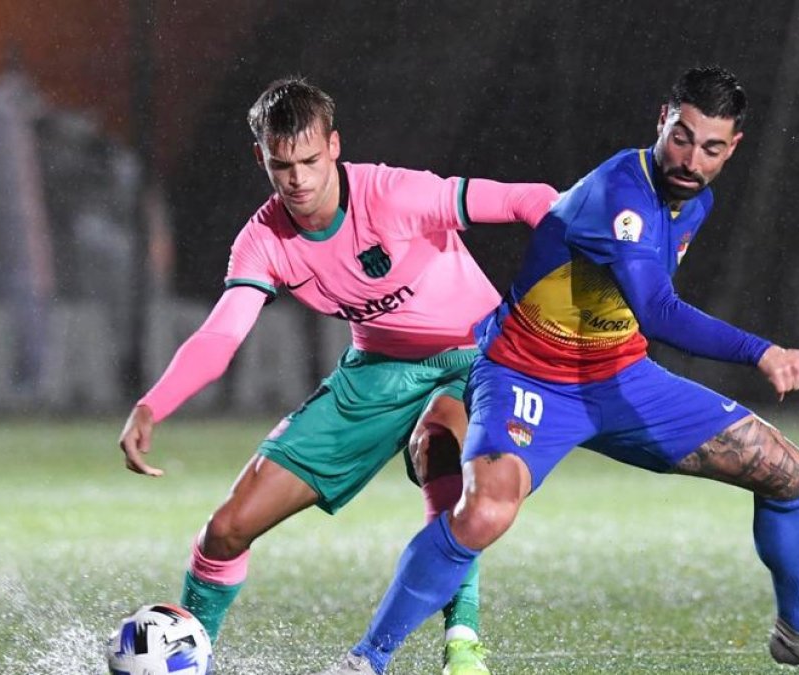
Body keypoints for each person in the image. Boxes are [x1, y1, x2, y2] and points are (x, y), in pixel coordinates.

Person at [313, 66, 799, 675]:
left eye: (712, 147)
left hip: (621, 380)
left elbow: (629, 316)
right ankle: (364, 662)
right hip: (525, 376)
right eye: (682, 137)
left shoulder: (694, 201)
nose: (692, 159)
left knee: (789, 473)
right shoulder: (622, 191)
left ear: (733, 147)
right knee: (483, 513)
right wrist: (761, 351)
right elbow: (658, 311)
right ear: (661, 118)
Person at [117, 76, 557, 675]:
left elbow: (527, 199)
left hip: (471, 356)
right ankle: (192, 658)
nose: (298, 179)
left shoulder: (395, 194)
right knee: (225, 529)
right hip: (372, 375)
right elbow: (223, 334)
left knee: (440, 449)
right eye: (282, 165)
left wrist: (589, 247)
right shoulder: (263, 240)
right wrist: (153, 404)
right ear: (262, 158)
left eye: (309, 160)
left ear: (334, 147)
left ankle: (462, 643)